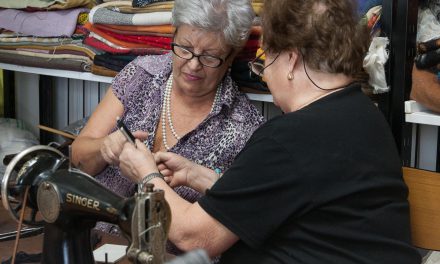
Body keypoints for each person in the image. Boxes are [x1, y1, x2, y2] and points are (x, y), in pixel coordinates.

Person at [118, 0, 422, 263]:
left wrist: (146, 174)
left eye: (266, 60)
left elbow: (195, 237)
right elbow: (292, 199)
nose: (265, 76)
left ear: (290, 59)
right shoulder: (362, 114)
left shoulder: (291, 137)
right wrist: (201, 178)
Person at [71, 0, 263, 204]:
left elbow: (236, 214)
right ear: (174, 35)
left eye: (209, 57)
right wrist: (104, 148)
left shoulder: (244, 127)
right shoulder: (141, 74)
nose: (193, 64)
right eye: (185, 48)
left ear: (232, 54)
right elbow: (77, 157)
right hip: (98, 228)